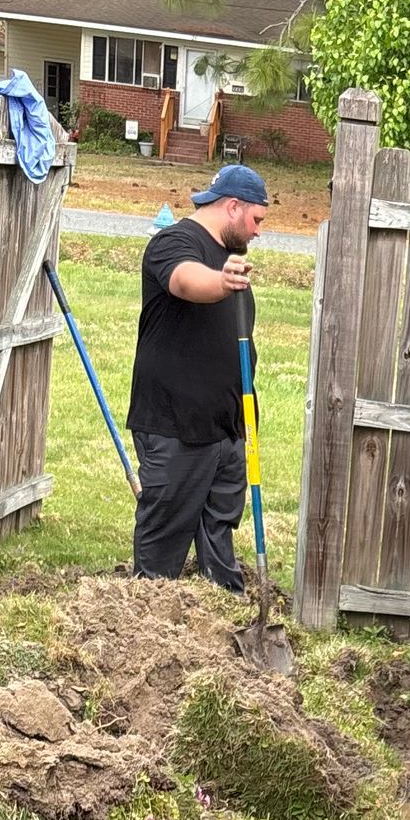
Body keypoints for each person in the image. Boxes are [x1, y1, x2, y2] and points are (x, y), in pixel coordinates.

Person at [128, 162, 271, 591]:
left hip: (228, 429)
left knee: (219, 534)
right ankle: (146, 625)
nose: (258, 232)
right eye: (256, 220)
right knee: (164, 538)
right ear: (232, 207)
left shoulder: (230, 257)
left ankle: (223, 615)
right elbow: (186, 283)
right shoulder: (172, 243)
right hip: (177, 427)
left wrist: (245, 428)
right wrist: (221, 282)